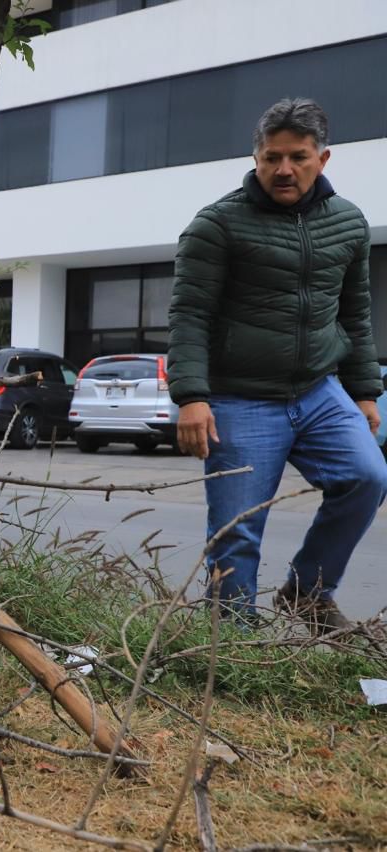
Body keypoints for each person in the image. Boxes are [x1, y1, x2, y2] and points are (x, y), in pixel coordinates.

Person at [168, 97, 387, 633]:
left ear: (323, 158)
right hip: (239, 397)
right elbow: (189, 314)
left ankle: (308, 592)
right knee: (237, 530)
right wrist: (192, 396)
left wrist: (363, 391)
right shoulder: (217, 225)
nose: (283, 169)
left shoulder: (349, 223)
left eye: (297, 157)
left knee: (367, 476)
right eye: (271, 157)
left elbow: (355, 315)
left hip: (319, 390)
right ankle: (231, 648)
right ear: (256, 157)